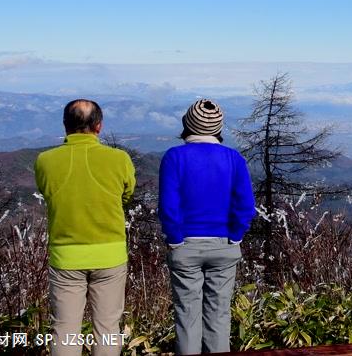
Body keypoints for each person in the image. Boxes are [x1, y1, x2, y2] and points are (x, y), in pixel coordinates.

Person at [35, 99, 135, 356]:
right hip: (110, 254)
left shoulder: (45, 161)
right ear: (99, 126)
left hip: (66, 255)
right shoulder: (119, 159)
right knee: (108, 328)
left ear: (65, 126)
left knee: (65, 330)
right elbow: (126, 196)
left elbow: (48, 194)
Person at [159, 99, 257, 354]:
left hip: (186, 246)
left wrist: (175, 239)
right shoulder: (234, 159)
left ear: (187, 124)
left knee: (187, 315)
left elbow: (169, 206)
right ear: (218, 128)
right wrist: (235, 236)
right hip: (224, 245)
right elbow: (246, 205)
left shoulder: (174, 157)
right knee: (219, 315)